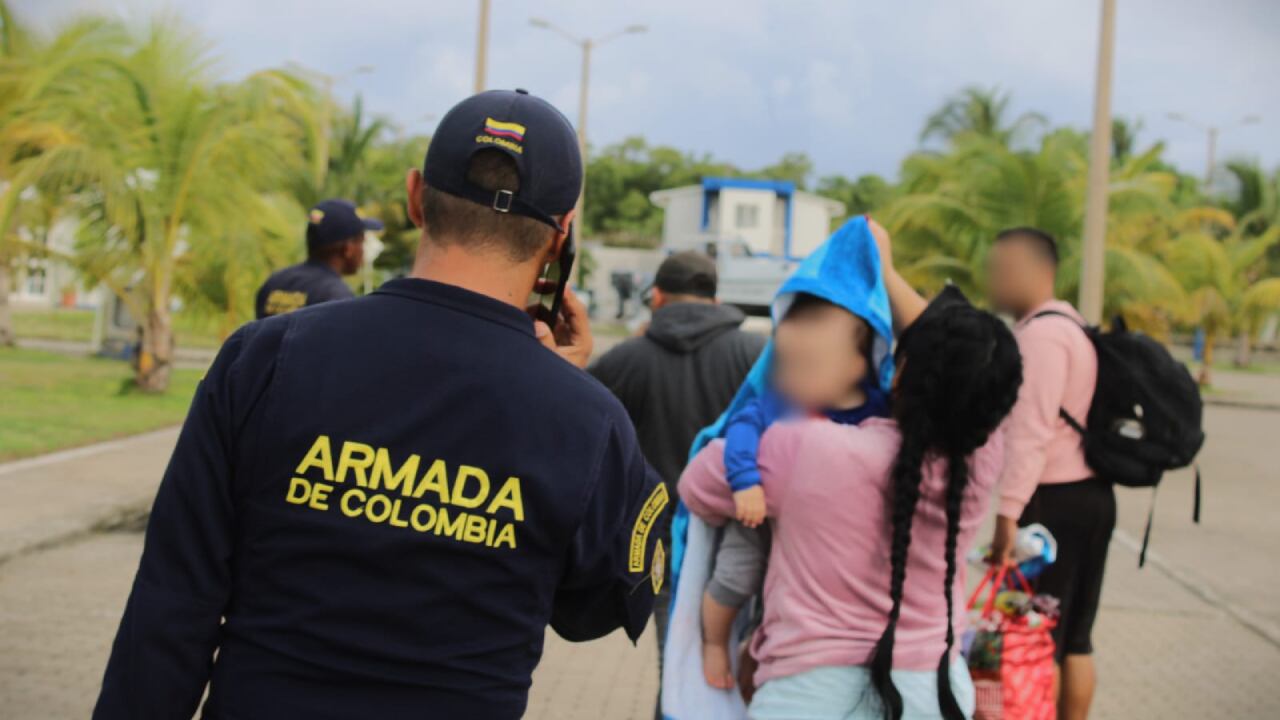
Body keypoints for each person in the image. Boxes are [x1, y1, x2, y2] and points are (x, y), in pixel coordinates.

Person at [93, 89, 667, 720]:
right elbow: (593, 607)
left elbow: (172, 605)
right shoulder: (588, 420)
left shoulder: (263, 358)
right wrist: (557, 404)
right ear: (561, 238)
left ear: (416, 196)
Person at [678, 223, 1024, 719]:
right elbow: (972, 367)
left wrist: (878, 268)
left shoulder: (801, 444)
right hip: (936, 694)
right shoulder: (980, 458)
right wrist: (886, 275)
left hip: (808, 696)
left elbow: (697, 487)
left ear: (900, 371)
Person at [589, 250, 765, 718]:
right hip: (746, 538)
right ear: (717, 298)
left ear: (658, 297)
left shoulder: (625, 359)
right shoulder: (756, 358)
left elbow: (583, 440)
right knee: (745, 666)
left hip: (658, 544)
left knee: (679, 667)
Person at [701, 292, 891, 690]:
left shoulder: (877, 410)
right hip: (761, 512)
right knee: (736, 574)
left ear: (859, 362)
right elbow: (741, 428)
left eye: (810, 362)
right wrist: (745, 481)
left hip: (827, 534)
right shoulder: (781, 402)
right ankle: (714, 642)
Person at [985, 226, 1105, 720]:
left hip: (1049, 503)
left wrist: (1006, 518)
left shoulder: (1040, 337)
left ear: (1036, 271)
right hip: (1089, 496)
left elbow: (1029, 434)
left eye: (999, 270)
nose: (992, 281)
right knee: (1075, 636)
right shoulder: (1071, 325)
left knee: (1039, 638)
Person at [254, 198, 383, 318]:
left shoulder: (274, 282)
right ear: (348, 249)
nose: (364, 248)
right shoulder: (336, 296)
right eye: (362, 241)